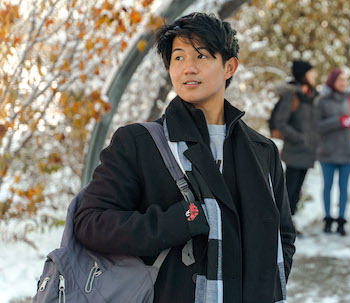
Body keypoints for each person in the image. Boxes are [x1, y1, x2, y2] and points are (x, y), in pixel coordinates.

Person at [73, 13, 295, 302]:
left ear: (229, 66)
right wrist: (177, 222)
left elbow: (283, 235)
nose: (188, 68)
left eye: (201, 55)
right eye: (178, 58)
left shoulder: (261, 151)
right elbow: (91, 223)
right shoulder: (140, 143)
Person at [316, 68, 350, 236]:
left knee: (344, 187)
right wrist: (338, 121)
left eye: (345, 80)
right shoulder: (322, 101)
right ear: (332, 82)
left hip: (347, 152)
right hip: (327, 152)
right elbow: (317, 125)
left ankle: (342, 219)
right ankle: (328, 218)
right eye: (340, 80)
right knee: (328, 187)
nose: (343, 83)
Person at [273, 60, 318, 219]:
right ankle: (282, 225)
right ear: (303, 75)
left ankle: (290, 223)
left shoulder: (310, 95)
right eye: (311, 72)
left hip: (307, 151)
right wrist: (299, 137)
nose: (314, 75)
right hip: (295, 150)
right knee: (288, 191)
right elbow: (280, 122)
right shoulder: (292, 95)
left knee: (297, 191)